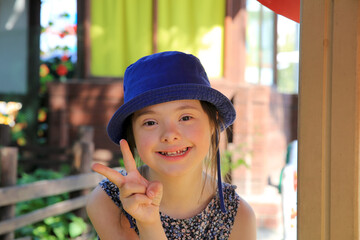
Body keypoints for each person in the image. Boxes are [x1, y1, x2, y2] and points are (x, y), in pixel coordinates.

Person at [86, 51, 256, 240]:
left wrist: (149, 223)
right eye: (150, 122)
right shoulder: (108, 201)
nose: (170, 135)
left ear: (212, 123)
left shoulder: (239, 217)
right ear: (132, 134)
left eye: (185, 118)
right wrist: (147, 222)